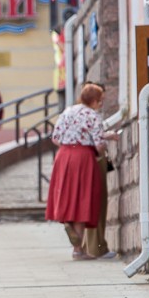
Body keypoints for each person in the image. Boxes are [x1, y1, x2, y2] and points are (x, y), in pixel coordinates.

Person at [46, 83, 118, 260]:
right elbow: (99, 144)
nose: (101, 104)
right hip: (83, 157)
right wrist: (99, 151)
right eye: (100, 101)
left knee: (68, 195)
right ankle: (78, 250)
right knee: (82, 199)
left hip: (64, 155)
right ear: (93, 101)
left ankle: (70, 230)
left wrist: (69, 145)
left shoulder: (68, 111)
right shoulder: (93, 116)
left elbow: (55, 137)